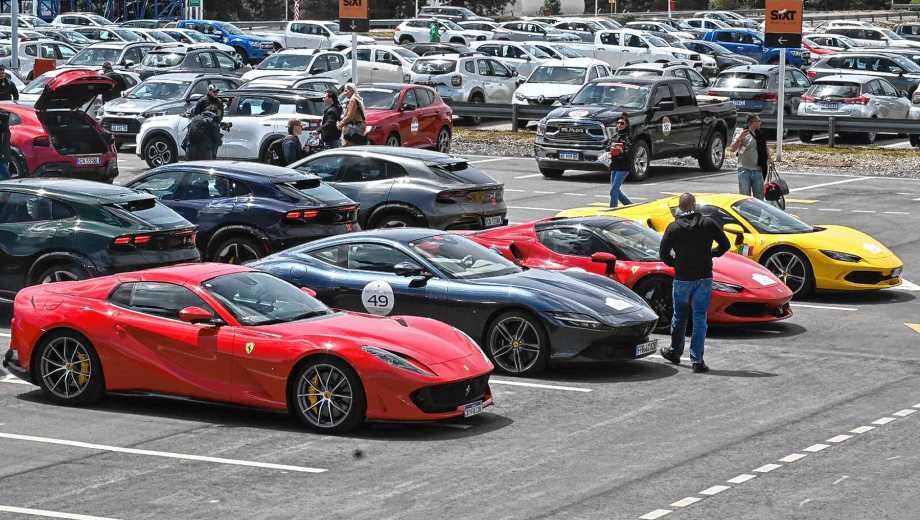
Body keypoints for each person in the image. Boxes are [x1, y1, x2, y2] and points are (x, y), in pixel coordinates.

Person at [658, 193, 731, 373]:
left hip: (683, 278)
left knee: (680, 316)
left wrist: (676, 262)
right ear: (695, 205)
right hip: (704, 277)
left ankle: (675, 351)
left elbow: (663, 254)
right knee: (700, 318)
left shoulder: (673, 228)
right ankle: (697, 360)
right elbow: (725, 245)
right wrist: (710, 254)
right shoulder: (708, 223)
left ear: (680, 207)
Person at [729, 114, 768, 200]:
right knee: (744, 198)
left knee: (759, 199)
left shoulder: (760, 134)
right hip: (744, 170)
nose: (760, 123)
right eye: (758, 121)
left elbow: (764, 148)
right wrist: (740, 138)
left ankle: (757, 214)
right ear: (751, 123)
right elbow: (732, 149)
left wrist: (769, 159)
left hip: (758, 170)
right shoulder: (742, 133)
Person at [608, 116, 633, 208]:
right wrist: (610, 149)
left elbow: (629, 151)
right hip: (614, 165)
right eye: (618, 123)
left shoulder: (628, 137)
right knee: (615, 190)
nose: (619, 125)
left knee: (614, 190)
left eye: (622, 123)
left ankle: (613, 209)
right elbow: (607, 146)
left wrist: (621, 150)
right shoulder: (614, 136)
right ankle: (630, 206)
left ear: (626, 125)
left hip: (623, 166)